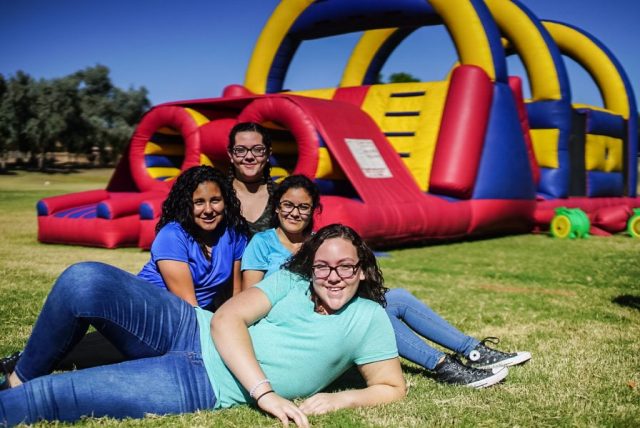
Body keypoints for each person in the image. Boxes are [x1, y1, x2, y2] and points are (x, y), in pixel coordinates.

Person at [0, 224, 406, 427]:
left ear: (364, 271)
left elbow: (391, 387)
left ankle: (17, 396)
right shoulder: (291, 279)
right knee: (84, 279)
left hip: (202, 381)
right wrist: (264, 395)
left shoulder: (368, 318)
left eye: (346, 266)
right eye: (323, 266)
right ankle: (18, 377)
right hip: (190, 326)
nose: (333, 276)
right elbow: (229, 316)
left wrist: (340, 400)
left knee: (51, 397)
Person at [242, 175, 531, 388]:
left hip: (331, 308)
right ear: (276, 208)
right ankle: (443, 366)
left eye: (303, 207)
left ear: (313, 210)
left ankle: (474, 351)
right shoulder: (262, 243)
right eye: (287, 205)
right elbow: (251, 296)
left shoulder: (321, 242)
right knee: (374, 314)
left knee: (399, 298)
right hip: (300, 321)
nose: (294, 212)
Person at [0, 165, 249, 377]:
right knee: (107, 351)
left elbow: (233, 294)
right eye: (199, 202)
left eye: (215, 200)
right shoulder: (173, 235)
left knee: (110, 351)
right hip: (146, 311)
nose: (208, 209)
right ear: (187, 204)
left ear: (225, 201)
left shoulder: (234, 235)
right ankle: (23, 361)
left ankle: (28, 357)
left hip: (180, 323)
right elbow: (188, 305)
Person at [227, 122, 275, 236]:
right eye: (240, 150)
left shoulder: (282, 195)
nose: (249, 157)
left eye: (258, 150)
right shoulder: (217, 194)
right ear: (230, 154)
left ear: (268, 154)